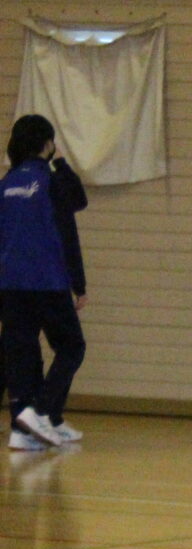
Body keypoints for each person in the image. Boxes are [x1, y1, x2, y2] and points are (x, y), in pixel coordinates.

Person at [2, 114, 88, 452]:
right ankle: (42, 412)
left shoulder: (6, 184)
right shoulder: (51, 181)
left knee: (22, 354)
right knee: (71, 346)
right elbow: (77, 204)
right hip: (46, 281)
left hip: (10, 283)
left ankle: (24, 429)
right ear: (47, 144)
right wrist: (62, 164)